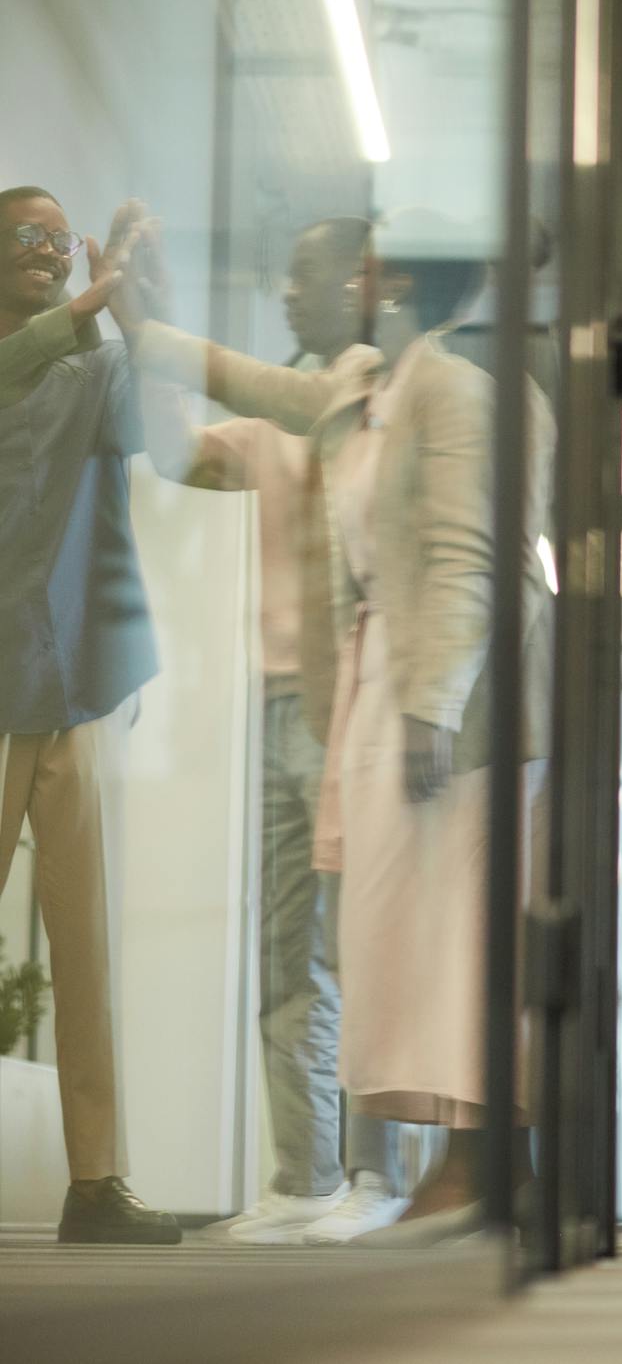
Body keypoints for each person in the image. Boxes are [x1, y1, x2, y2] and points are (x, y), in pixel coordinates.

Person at [123, 209, 556, 1246]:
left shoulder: (450, 390)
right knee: (408, 939)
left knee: (455, 940)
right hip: (386, 688)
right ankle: (456, 1170)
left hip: (457, 704)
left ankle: (466, 1169)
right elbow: (254, 398)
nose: (297, 291)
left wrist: (428, 706)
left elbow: (466, 559)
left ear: (388, 283)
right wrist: (151, 330)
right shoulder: (372, 392)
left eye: (326, 272)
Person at [146, 218, 406, 1247]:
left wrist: (159, 324)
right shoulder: (267, 430)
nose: (289, 294)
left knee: (366, 952)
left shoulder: (379, 400)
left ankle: (374, 1176)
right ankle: (302, 1181)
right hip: (271, 711)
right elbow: (179, 454)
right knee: (287, 955)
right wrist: (147, 318)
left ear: (360, 282)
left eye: (303, 275)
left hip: (361, 712)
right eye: (286, 279)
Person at [0, 187, 179, 1244]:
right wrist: (87, 303)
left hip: (65, 689)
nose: (47, 249)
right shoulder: (26, 355)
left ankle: (96, 1183)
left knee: (84, 951)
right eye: (27, 234)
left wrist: (134, 304)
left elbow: (165, 418)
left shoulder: (93, 368)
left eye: (60, 241)